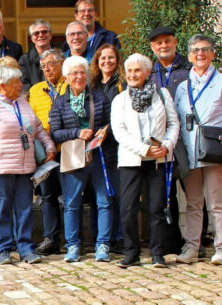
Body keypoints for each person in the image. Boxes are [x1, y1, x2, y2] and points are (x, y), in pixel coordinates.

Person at [170, 34, 222, 266]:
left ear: (212, 54)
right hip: (191, 151)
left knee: (217, 202)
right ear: (189, 55)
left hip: (215, 150)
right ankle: (192, 246)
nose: (200, 54)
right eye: (195, 50)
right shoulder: (183, 86)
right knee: (193, 202)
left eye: (204, 50)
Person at [0, 66, 55, 264]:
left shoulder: (24, 103)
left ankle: (26, 248)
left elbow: (38, 129)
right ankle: (3, 249)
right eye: (16, 82)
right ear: (2, 85)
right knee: (1, 210)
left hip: (25, 167)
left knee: (24, 209)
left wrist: (49, 146)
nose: (20, 85)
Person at [111, 54, 180, 269]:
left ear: (147, 73)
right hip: (132, 160)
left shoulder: (162, 94)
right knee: (128, 208)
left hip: (159, 159)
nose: (132, 75)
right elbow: (119, 132)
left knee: (157, 206)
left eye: (137, 70)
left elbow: (173, 123)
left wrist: (167, 144)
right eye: (129, 71)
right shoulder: (120, 99)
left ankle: (158, 252)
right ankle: (132, 252)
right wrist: (144, 149)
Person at [48, 56, 116, 262]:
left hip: (99, 156)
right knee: (72, 203)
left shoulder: (100, 97)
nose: (79, 76)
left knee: (104, 201)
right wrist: (77, 133)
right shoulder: (60, 103)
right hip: (73, 157)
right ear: (66, 77)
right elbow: (55, 133)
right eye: (74, 73)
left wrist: (103, 133)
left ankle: (103, 244)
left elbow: (110, 123)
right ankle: (72, 245)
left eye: (82, 72)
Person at [149, 26, 189, 255]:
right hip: (160, 142)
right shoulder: (150, 72)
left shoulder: (188, 68)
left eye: (167, 41)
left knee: (193, 193)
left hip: (186, 139)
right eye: (158, 43)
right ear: (153, 48)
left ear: (175, 42)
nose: (163, 46)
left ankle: (197, 240)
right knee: (167, 193)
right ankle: (172, 241)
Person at [26, 49, 67, 256]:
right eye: (44, 66)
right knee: (48, 195)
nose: (47, 69)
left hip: (68, 148)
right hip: (46, 153)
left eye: (51, 64)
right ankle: (51, 239)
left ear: (62, 63)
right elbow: (32, 120)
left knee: (70, 195)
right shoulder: (35, 90)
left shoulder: (70, 84)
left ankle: (73, 239)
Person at [89, 43, 126, 252]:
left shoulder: (122, 83)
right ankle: (102, 237)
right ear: (97, 61)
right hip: (97, 147)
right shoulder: (93, 84)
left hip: (116, 145)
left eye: (111, 58)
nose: (107, 62)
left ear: (117, 60)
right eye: (103, 58)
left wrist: (108, 129)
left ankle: (120, 237)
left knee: (118, 194)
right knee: (101, 195)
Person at [18, 19, 53, 91]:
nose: (41, 35)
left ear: (50, 35)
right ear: (32, 38)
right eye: (36, 33)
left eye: (44, 32)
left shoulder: (60, 57)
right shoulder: (24, 60)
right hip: (34, 100)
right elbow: (24, 85)